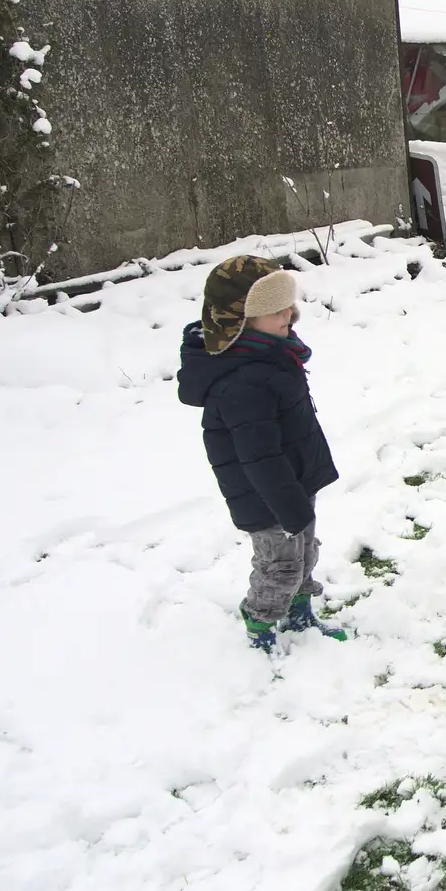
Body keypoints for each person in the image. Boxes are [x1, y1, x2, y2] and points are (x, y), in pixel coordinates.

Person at [177, 255, 345, 651]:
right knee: (280, 566)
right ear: (240, 320)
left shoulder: (272, 354)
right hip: (266, 496)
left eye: (288, 304)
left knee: (304, 554)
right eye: (275, 309)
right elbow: (259, 458)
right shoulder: (241, 382)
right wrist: (288, 506)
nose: (290, 313)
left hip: (292, 483)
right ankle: (260, 626)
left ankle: (299, 614)